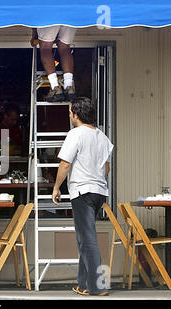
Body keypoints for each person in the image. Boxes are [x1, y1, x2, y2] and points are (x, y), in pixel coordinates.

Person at [51, 97, 113, 296]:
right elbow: (107, 167)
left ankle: (98, 286)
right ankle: (84, 284)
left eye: (70, 112)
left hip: (82, 192)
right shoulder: (103, 137)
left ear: (76, 114)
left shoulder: (75, 134)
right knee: (84, 238)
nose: (70, 115)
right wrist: (96, 180)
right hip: (99, 192)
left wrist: (56, 188)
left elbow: (65, 164)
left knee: (87, 239)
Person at [31, 26, 76, 102]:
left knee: (46, 46)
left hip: (50, 15)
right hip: (70, 15)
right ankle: (69, 87)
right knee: (65, 46)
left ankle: (55, 88)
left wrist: (34, 32)